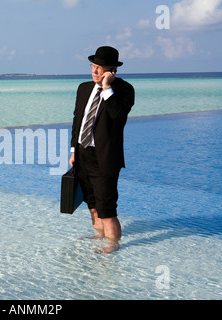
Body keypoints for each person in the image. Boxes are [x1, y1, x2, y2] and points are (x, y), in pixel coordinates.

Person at [69, 46, 135, 253]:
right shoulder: (83, 88)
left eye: (100, 68)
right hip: (82, 154)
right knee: (92, 202)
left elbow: (118, 117)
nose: (95, 71)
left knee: (107, 208)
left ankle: (113, 245)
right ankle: (99, 234)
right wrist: (73, 150)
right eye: (93, 66)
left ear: (112, 71)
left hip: (104, 158)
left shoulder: (124, 90)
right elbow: (77, 121)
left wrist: (107, 88)